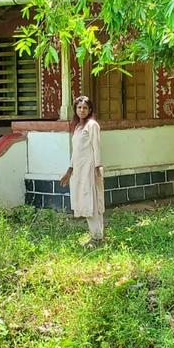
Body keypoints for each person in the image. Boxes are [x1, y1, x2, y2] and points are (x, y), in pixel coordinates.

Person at [60, 96, 105, 242]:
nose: (82, 110)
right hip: (79, 169)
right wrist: (69, 170)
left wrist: (98, 166)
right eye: (79, 107)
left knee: (91, 200)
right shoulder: (78, 127)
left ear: (90, 109)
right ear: (75, 109)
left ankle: (97, 236)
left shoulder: (92, 125)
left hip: (90, 168)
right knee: (84, 200)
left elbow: (96, 146)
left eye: (85, 108)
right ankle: (95, 234)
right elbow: (76, 151)